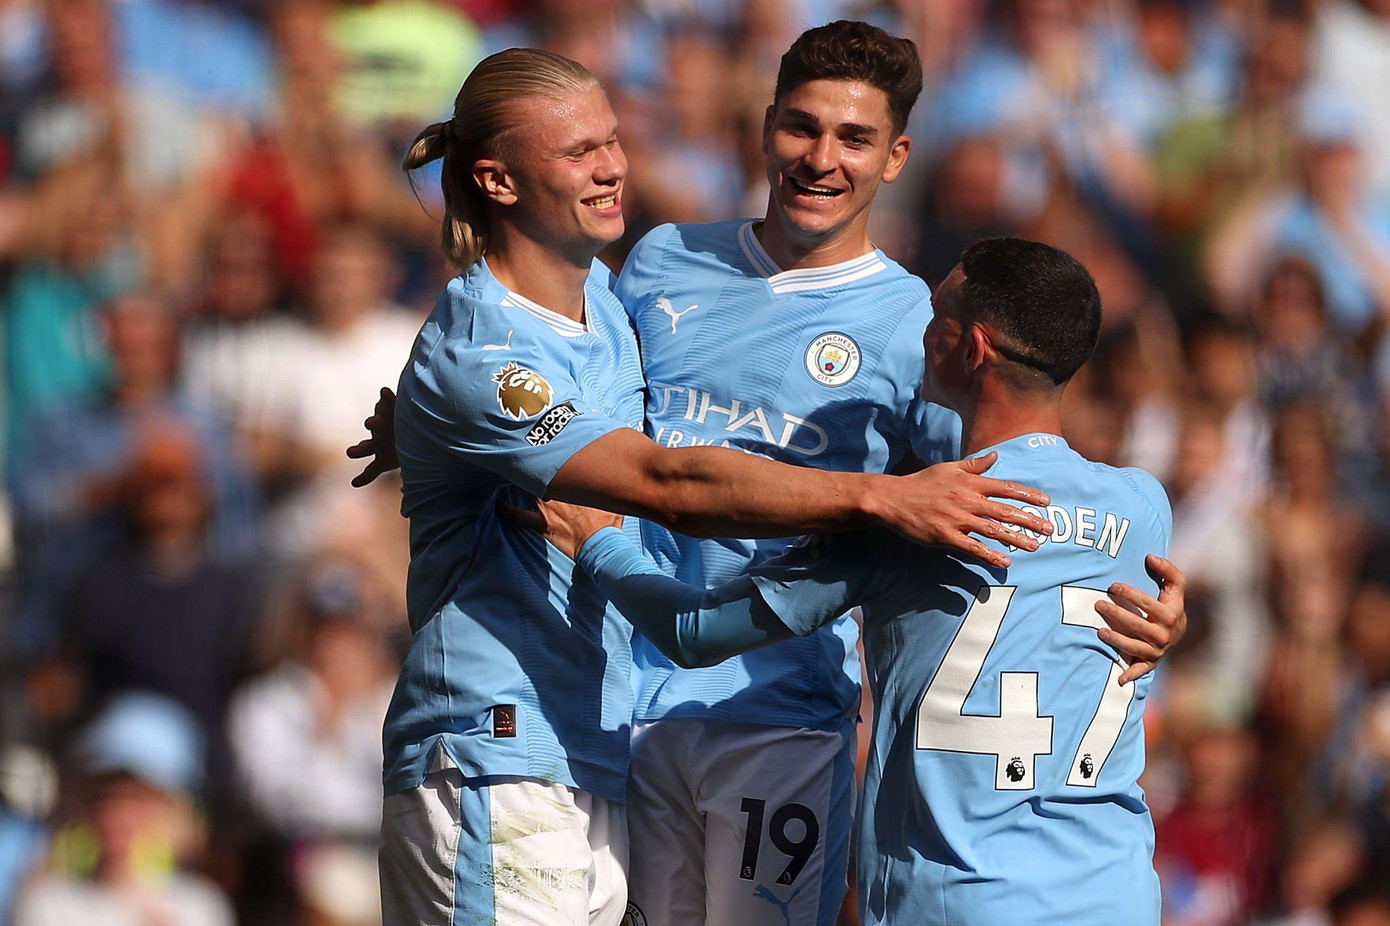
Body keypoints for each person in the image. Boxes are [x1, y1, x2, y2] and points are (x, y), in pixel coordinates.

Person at [354, 24, 1188, 926]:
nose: (822, 158)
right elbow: (578, 401)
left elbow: (1008, 488)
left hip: (780, 714)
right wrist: (431, 426)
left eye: (855, 138)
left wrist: (1152, 610)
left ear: (896, 158)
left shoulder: (918, 321)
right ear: (764, 127)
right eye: (802, 126)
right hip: (622, 707)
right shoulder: (656, 262)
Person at [523, 237, 1178, 925]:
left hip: (960, 897)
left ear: (972, 349)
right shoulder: (1142, 507)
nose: (922, 331)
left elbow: (695, 632)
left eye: (937, 314)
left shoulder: (912, 518)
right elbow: (1128, 614)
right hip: (1116, 893)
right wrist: (1174, 627)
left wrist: (596, 542)